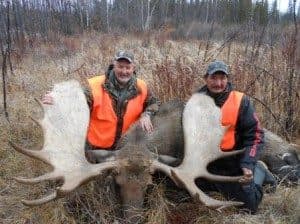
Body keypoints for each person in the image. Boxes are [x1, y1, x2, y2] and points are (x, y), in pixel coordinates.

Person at [42, 50, 159, 161]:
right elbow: (78, 98)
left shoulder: (142, 87)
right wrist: (59, 98)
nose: (124, 71)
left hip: (125, 148)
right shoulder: (95, 85)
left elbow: (154, 102)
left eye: (128, 67)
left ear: (133, 68)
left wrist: (147, 115)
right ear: (114, 65)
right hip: (96, 149)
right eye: (120, 67)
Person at [195, 60, 276, 213]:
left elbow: (256, 135)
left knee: (249, 207)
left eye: (222, 78)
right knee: (182, 191)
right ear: (206, 79)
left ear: (227, 79)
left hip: (234, 165)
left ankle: (258, 172)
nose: (218, 83)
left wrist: (247, 163)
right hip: (209, 165)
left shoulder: (240, 101)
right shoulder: (195, 102)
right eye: (213, 78)